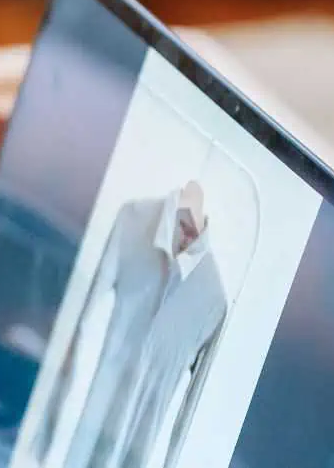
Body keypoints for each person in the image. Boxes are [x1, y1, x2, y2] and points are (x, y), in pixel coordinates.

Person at [29, 181, 227, 468]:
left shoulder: (213, 299)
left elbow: (189, 416)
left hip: (136, 452)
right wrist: (49, 426)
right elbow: (79, 319)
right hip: (80, 429)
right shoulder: (133, 221)